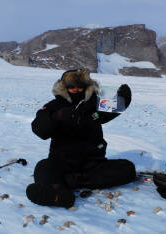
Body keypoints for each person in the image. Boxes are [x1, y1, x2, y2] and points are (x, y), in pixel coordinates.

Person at [26, 69, 136, 208]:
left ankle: (69, 183)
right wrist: (55, 117)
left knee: (128, 168)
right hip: (62, 161)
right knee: (43, 167)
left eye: (80, 86)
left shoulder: (95, 104)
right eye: (71, 86)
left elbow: (112, 110)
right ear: (64, 87)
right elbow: (39, 129)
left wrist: (124, 98)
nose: (76, 89)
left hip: (93, 163)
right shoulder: (54, 106)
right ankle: (57, 195)